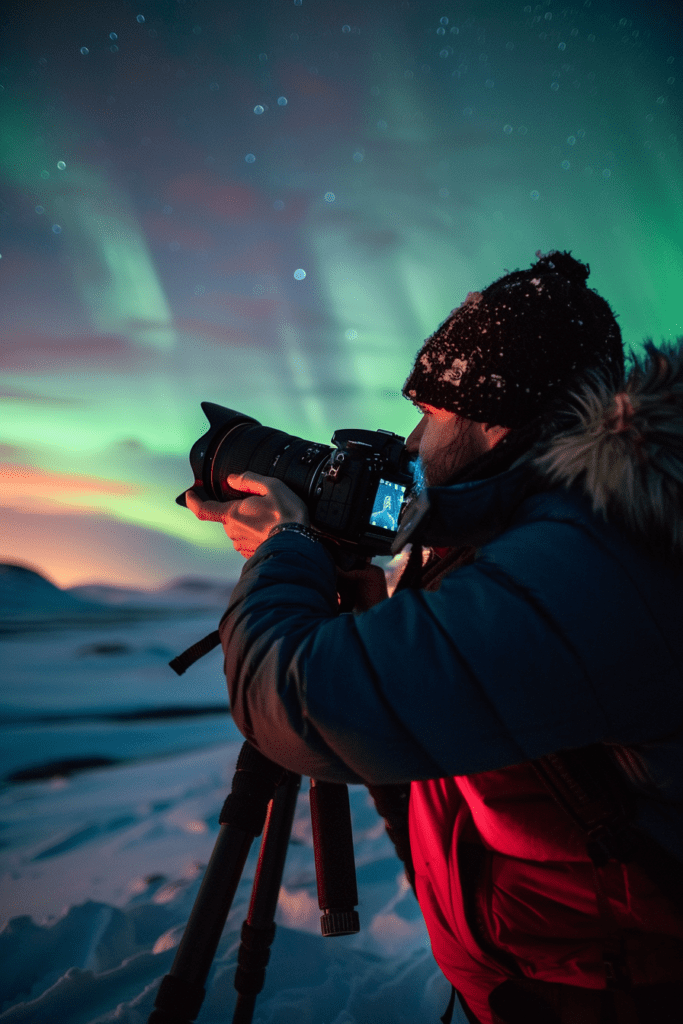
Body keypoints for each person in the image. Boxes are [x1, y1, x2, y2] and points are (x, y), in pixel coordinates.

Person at [185, 251, 683, 1024]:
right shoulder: (525, 534)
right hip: (539, 977)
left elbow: (299, 704)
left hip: (605, 998)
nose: (410, 441)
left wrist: (287, 546)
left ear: (494, 419)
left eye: (430, 411)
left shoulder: (587, 562)